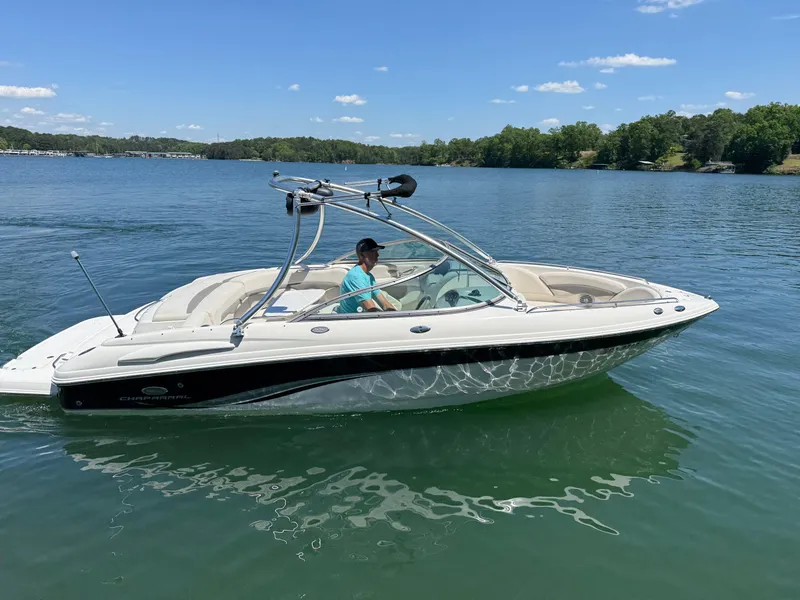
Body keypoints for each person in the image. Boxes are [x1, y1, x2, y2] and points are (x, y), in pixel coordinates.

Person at [337, 238, 398, 313]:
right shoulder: (356, 277)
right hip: (351, 320)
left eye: (377, 251)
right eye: (373, 252)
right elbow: (371, 309)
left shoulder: (369, 276)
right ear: (362, 255)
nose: (377, 255)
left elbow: (384, 302)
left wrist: (396, 313)